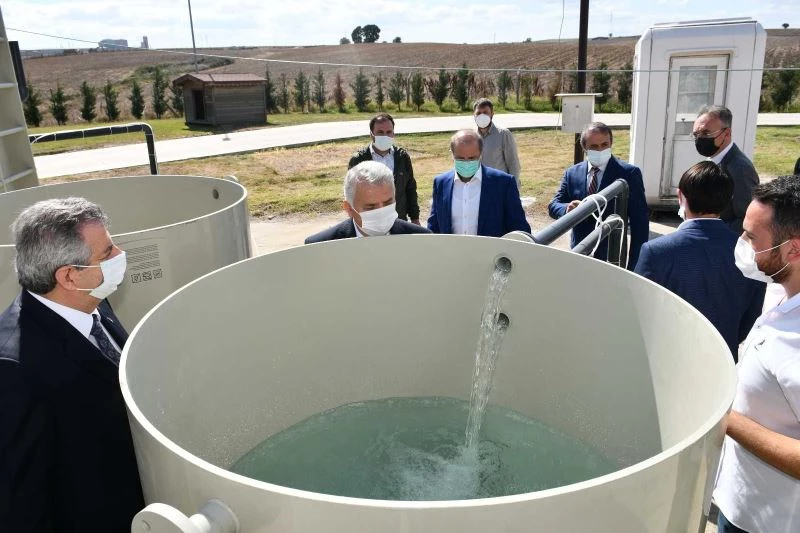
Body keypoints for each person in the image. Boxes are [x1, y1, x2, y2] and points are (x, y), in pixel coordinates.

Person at [0, 197, 143, 532]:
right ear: (68, 276)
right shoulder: (13, 371)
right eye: (106, 252)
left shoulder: (93, 299)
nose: (120, 255)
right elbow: (21, 502)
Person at [712, 175, 800, 533]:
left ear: (792, 250)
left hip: (768, 522)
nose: (742, 243)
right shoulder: (779, 289)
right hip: (740, 501)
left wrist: (723, 416)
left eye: (751, 237)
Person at [634, 162, 765, 360]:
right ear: (728, 199)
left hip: (669, 362)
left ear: (680, 196)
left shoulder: (656, 251)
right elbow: (752, 313)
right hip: (723, 361)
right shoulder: (748, 251)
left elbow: (639, 313)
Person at [548, 122, 649, 270]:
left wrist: (635, 266)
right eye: (594, 147)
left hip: (612, 257)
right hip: (580, 253)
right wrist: (567, 209)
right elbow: (554, 205)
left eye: (604, 144)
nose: (600, 150)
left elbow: (639, 223)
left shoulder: (629, 174)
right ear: (584, 148)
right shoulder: (572, 173)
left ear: (611, 143)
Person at [427, 129, 530, 237]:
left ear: (481, 154)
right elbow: (434, 227)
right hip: (451, 253)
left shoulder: (503, 183)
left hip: (490, 253)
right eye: (460, 158)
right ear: (452, 154)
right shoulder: (441, 183)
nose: (466, 163)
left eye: (472, 158)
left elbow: (519, 229)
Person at [305, 161, 431, 243]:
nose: (381, 212)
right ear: (349, 208)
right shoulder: (319, 246)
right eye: (371, 207)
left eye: (388, 203)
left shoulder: (422, 240)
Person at [692, 105, 759, 235]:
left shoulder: (739, 169)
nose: (699, 139)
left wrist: (711, 233)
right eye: (696, 134)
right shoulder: (713, 159)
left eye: (706, 133)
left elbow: (747, 220)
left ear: (727, 133)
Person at [348, 113, 421, 224]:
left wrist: (415, 218)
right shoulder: (359, 159)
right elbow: (352, 194)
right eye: (380, 133)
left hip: (398, 220)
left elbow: (410, 188)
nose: (385, 136)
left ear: (393, 134)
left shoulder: (402, 157)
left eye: (389, 132)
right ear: (371, 134)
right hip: (369, 223)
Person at [473, 98, 522, 187]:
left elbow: (514, 164)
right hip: (478, 188)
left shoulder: (503, 134)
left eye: (485, 112)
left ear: (492, 114)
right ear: (474, 115)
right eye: (478, 113)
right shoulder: (471, 137)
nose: (482, 116)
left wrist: (513, 189)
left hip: (500, 187)